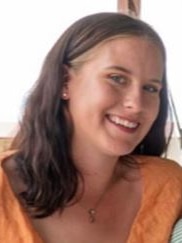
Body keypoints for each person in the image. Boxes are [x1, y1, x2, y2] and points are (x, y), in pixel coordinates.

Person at [0, 12, 182, 243]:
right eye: (117, 78)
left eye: (150, 88)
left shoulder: (169, 185)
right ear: (64, 81)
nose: (136, 104)